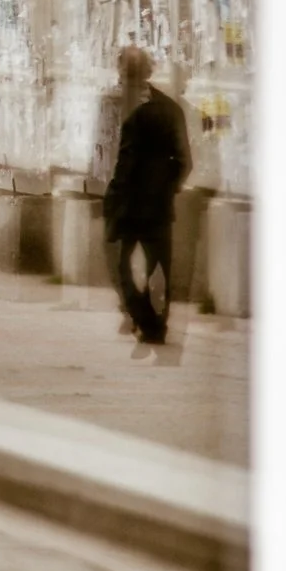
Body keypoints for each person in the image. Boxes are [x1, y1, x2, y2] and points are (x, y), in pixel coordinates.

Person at [104, 44, 190, 345]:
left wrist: (113, 199)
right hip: (159, 206)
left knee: (122, 265)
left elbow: (122, 166)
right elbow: (184, 162)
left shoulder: (125, 112)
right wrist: (168, 187)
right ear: (149, 71)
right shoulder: (170, 109)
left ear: (121, 71)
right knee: (159, 265)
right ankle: (157, 323)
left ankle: (142, 316)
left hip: (129, 205)